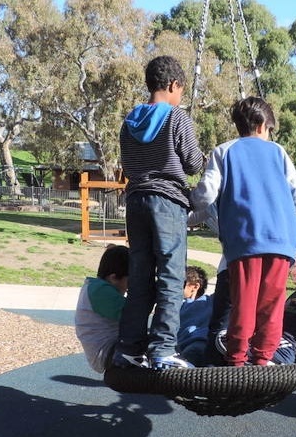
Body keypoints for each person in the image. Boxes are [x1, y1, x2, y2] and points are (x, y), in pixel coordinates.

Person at [191, 96, 296, 366]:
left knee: (244, 302)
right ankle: (263, 359)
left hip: (245, 239)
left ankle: (236, 359)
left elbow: (206, 194)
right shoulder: (278, 152)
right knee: (271, 304)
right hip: (282, 239)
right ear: (263, 124)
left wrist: (190, 199)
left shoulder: (224, 151)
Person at [116, 55, 205, 370]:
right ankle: (163, 350)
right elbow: (194, 163)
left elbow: (127, 166)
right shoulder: (177, 117)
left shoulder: (129, 121)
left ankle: (129, 347)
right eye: (181, 91)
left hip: (136, 200)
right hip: (167, 202)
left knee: (140, 275)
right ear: (173, 85)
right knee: (170, 274)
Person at [75, 245, 130, 373]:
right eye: (130, 279)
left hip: (107, 351)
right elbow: (134, 315)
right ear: (113, 277)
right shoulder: (101, 291)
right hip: (107, 353)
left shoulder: (95, 286)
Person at [177, 265, 213, 366]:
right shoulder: (178, 304)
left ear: (195, 287)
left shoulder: (209, 301)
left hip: (195, 344)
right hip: (182, 348)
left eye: (181, 284)